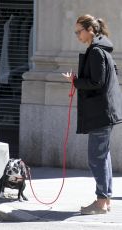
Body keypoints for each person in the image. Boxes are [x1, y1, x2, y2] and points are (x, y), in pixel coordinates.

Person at [63, 14, 122, 215]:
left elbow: (97, 82)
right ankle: (104, 200)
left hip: (101, 113)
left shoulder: (97, 52)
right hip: (104, 112)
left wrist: (76, 82)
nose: (77, 35)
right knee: (102, 156)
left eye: (79, 31)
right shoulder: (101, 50)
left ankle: (101, 202)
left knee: (96, 158)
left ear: (90, 30)